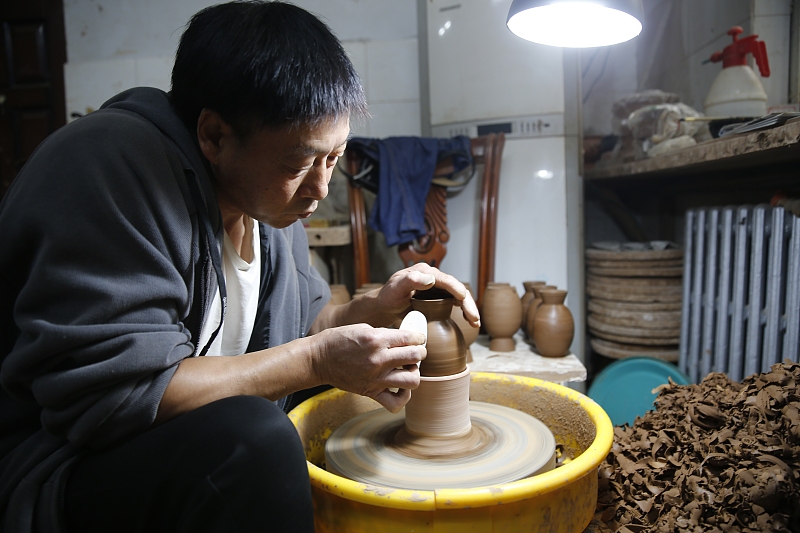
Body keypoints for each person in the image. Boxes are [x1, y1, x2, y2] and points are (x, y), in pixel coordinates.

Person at [0, 2, 480, 532]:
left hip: (162, 446)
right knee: (256, 441)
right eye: (299, 163)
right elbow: (124, 394)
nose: (320, 189)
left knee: (327, 402)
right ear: (214, 135)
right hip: (56, 471)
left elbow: (301, 331)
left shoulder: (267, 205)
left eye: (334, 159)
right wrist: (318, 360)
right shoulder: (105, 166)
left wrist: (374, 312)